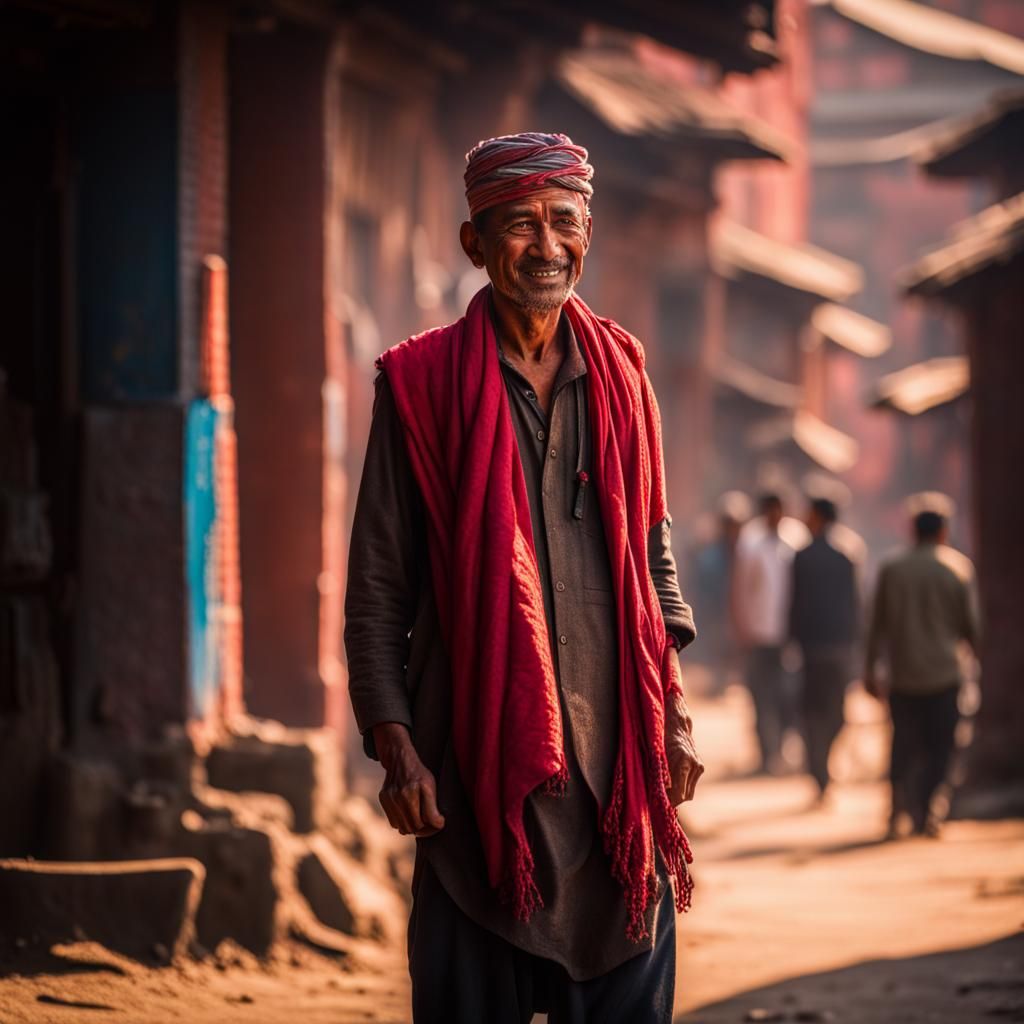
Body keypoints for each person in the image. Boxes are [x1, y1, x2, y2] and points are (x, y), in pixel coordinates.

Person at [344, 132, 704, 1024]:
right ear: (474, 242)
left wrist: (673, 712)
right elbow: (378, 587)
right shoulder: (421, 385)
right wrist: (396, 746)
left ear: (589, 233)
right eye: (519, 226)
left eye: (564, 223)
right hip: (474, 776)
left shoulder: (624, 374)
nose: (546, 248)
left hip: (616, 778)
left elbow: (656, 559)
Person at [864, 496, 980, 838]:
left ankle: (897, 808)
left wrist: (870, 669)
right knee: (941, 746)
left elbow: (876, 626)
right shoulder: (958, 568)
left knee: (902, 743)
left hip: (903, 674)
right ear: (944, 530)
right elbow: (972, 628)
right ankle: (929, 809)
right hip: (945, 675)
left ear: (912, 530)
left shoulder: (892, 568)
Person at [788, 496, 863, 799]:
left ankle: (818, 767)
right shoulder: (848, 555)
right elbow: (856, 605)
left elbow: (794, 603)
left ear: (818, 517)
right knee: (836, 711)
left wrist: (792, 639)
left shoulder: (802, 557)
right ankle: (822, 765)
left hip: (812, 647)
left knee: (812, 710)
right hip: (840, 645)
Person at [732, 492, 809, 773]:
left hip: (790, 633)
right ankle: (767, 755)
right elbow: (740, 587)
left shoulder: (797, 538)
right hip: (759, 632)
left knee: (788, 695)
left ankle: (785, 749)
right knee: (761, 696)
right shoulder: (750, 541)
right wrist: (741, 626)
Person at [689, 492, 751, 695]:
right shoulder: (711, 557)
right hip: (717, 612)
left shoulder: (748, 554)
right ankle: (719, 679)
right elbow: (703, 588)